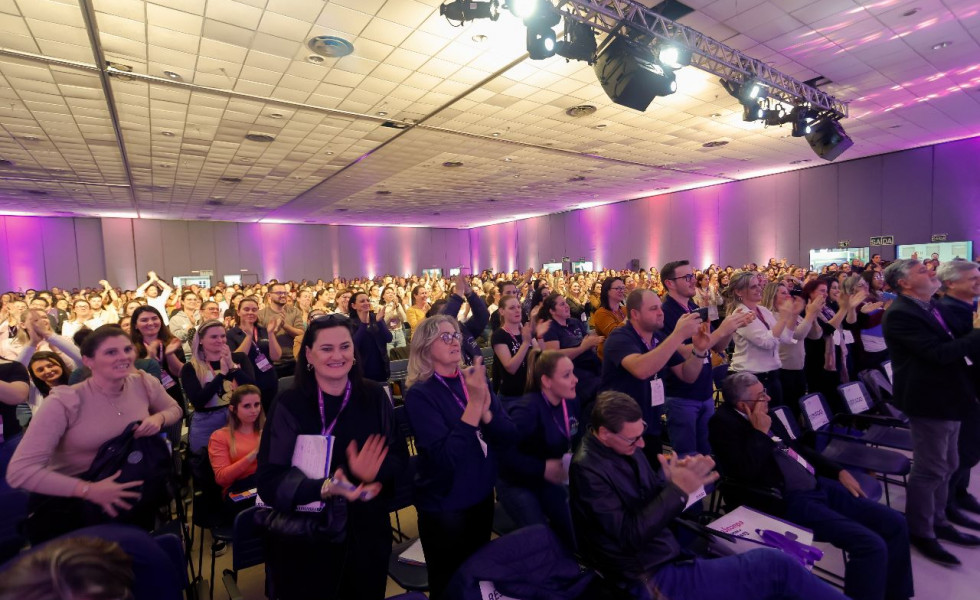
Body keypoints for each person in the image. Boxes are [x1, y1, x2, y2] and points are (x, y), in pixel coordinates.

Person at [570, 391, 845, 600]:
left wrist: (666, 481)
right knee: (776, 566)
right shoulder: (588, 472)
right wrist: (677, 491)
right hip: (647, 575)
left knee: (775, 570)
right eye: (633, 440)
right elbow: (629, 535)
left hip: (665, 552)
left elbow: (639, 500)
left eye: (641, 434)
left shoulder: (622, 447)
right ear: (604, 433)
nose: (641, 444)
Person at [709, 372, 914, 600]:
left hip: (816, 484)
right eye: (761, 396)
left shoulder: (767, 414)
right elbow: (744, 471)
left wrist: (838, 471)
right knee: (870, 545)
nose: (767, 399)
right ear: (742, 404)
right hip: (787, 499)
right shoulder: (722, 424)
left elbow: (797, 449)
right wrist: (759, 433)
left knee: (895, 523)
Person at [256, 314, 404, 600]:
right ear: (309, 354)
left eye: (345, 347)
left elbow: (398, 456)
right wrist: (325, 487)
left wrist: (373, 474)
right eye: (327, 349)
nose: (338, 355)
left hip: (366, 533)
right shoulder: (290, 403)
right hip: (307, 539)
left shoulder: (374, 395)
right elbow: (268, 481)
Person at [6, 325, 183, 543]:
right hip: (78, 509)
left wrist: (159, 418)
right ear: (88, 360)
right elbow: (19, 472)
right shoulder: (64, 401)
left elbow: (175, 409)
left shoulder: (143, 383)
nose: (123, 357)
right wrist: (88, 490)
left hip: (130, 499)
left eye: (127, 349)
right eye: (111, 352)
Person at [404, 315, 516, 599]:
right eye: (444, 336)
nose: (454, 340)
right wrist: (475, 404)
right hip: (446, 505)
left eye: (455, 334)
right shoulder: (420, 393)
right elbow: (444, 457)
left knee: (476, 576)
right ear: (425, 347)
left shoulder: (474, 380)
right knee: (449, 583)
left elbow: (507, 435)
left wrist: (488, 411)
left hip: (480, 493)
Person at [882, 259, 980, 566]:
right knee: (930, 468)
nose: (932, 273)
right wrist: (977, 332)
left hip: (947, 396)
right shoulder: (901, 314)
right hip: (928, 400)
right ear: (905, 284)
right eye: (923, 271)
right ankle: (922, 531)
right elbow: (938, 354)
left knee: (949, 462)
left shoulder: (927, 305)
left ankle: (939, 520)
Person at [599, 289, 711, 463]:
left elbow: (687, 374)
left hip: (650, 426)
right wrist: (678, 334)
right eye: (653, 309)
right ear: (635, 314)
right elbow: (641, 369)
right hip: (620, 431)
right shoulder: (620, 338)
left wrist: (699, 350)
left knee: (651, 484)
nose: (661, 313)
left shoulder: (658, 337)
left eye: (660, 307)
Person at [660, 260, 752, 457]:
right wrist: (720, 332)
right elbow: (676, 350)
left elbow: (716, 346)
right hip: (681, 395)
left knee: (707, 453)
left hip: (704, 391)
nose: (693, 280)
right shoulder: (665, 312)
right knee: (687, 457)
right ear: (670, 283)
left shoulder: (693, 306)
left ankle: (708, 489)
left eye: (692, 275)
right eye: (687, 277)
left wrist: (731, 326)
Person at [496, 350, 579, 549]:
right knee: (541, 539)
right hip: (516, 483)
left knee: (573, 528)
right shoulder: (527, 410)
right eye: (566, 375)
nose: (575, 380)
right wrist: (542, 468)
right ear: (547, 381)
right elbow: (502, 457)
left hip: (546, 479)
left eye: (573, 373)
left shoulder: (569, 401)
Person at [935, 260, 980, 531]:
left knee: (971, 449)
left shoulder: (969, 307)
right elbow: (960, 353)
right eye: (972, 279)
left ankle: (960, 493)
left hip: (972, 387)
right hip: (964, 389)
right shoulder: (946, 311)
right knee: (962, 450)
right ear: (950, 282)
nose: (978, 282)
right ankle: (948, 503)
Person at [179, 320, 255, 455]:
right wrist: (221, 375)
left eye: (223, 336)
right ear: (201, 340)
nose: (220, 340)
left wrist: (232, 367)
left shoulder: (239, 358)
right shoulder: (191, 367)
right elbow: (198, 401)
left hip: (238, 419)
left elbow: (252, 390)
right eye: (214, 337)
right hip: (207, 422)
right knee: (206, 467)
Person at [723, 272, 795, 406]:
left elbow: (785, 338)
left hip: (771, 374)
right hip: (750, 377)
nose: (759, 289)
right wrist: (784, 318)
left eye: (758, 285)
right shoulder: (741, 314)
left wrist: (794, 315)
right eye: (753, 287)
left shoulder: (763, 310)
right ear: (739, 292)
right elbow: (766, 342)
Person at [207, 384, 263, 520]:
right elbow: (222, 478)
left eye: (257, 405)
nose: (254, 410)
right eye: (247, 406)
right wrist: (254, 454)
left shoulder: (265, 430)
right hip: (238, 492)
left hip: (264, 484)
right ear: (233, 409)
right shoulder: (220, 436)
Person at [226, 297, 281, 414]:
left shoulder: (264, 330)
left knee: (270, 417)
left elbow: (276, 356)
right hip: (245, 384)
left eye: (254, 310)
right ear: (238, 312)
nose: (250, 312)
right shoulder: (231, 334)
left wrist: (271, 334)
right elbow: (236, 359)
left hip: (268, 381)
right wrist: (249, 336)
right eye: (246, 309)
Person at [130, 306, 185, 417]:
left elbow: (180, 373)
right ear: (135, 325)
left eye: (154, 318)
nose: (150, 323)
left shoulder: (172, 341)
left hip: (171, 394)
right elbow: (132, 377)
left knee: (173, 431)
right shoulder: (129, 347)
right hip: (143, 399)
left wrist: (169, 355)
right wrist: (150, 357)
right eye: (144, 320)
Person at [437, 277, 489, 367]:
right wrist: (457, 296)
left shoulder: (463, 329)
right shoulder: (436, 339)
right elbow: (443, 320)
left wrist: (470, 294)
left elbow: (483, 316)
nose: (452, 314)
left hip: (479, 378)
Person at [490, 296, 533, 403]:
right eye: (512, 308)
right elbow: (511, 368)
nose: (517, 310)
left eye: (519, 307)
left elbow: (540, 355)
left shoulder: (525, 331)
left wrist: (539, 335)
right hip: (512, 396)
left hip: (532, 391)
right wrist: (526, 343)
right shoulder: (499, 335)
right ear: (502, 311)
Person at [257, 283, 304, 377]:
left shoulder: (294, 311)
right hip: (270, 362)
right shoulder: (261, 314)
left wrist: (284, 325)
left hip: (293, 360)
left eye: (285, 293)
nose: (283, 295)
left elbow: (301, 333)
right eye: (278, 293)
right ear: (269, 295)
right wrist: (274, 331)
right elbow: (260, 340)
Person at [349, 292, 393, 384]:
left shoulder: (376, 317)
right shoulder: (350, 323)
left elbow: (389, 338)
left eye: (367, 300)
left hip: (381, 367)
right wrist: (363, 324)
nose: (366, 303)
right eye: (362, 301)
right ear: (353, 305)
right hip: (363, 370)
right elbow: (354, 345)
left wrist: (380, 322)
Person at [592, 276, 627, 360]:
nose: (622, 291)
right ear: (607, 291)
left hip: (627, 352)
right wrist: (629, 317)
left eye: (623, 288)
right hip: (611, 358)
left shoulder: (624, 309)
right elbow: (615, 335)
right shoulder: (601, 313)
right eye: (618, 288)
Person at [379, 285, 408, 351]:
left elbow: (404, 319)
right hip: (388, 334)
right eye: (388, 293)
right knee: (390, 358)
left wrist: (397, 306)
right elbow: (383, 322)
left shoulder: (398, 305)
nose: (391, 294)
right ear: (383, 296)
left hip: (400, 333)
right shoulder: (381, 307)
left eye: (392, 293)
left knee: (402, 355)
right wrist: (392, 309)